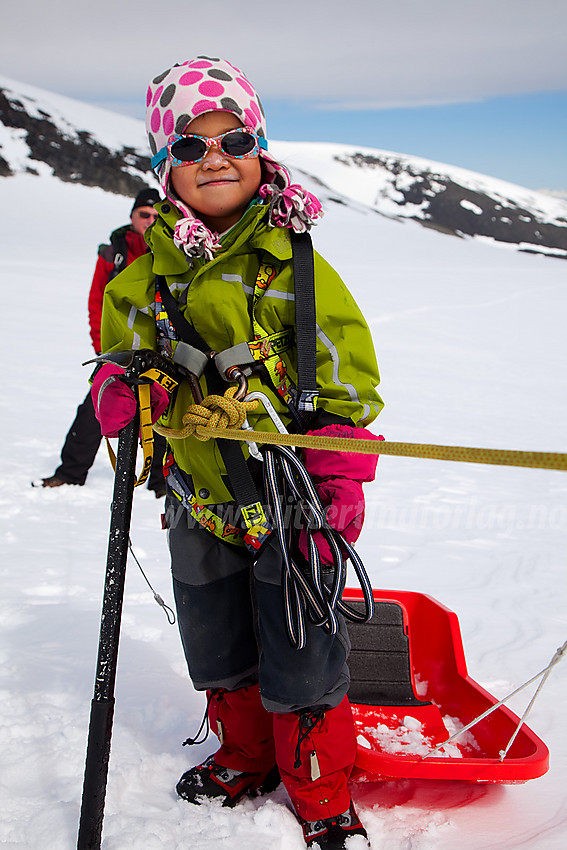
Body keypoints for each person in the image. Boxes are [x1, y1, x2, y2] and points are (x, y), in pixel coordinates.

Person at [91, 57, 383, 849]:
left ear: (260, 151)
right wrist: (120, 395)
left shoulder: (292, 263)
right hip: (199, 495)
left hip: (293, 499)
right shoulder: (144, 277)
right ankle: (246, 756)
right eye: (189, 146)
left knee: (303, 652)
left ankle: (320, 793)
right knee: (217, 643)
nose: (213, 157)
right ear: (164, 169)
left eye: (234, 138)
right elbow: (124, 359)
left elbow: (345, 378)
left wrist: (341, 475)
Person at [40, 188, 168, 497]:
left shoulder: (170, 247)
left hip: (162, 346)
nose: (150, 220)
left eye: (155, 215)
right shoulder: (114, 252)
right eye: (143, 214)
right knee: (95, 408)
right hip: (118, 347)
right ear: (132, 217)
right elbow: (97, 300)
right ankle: (70, 472)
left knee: (164, 407)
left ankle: (162, 483)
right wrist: (104, 348)